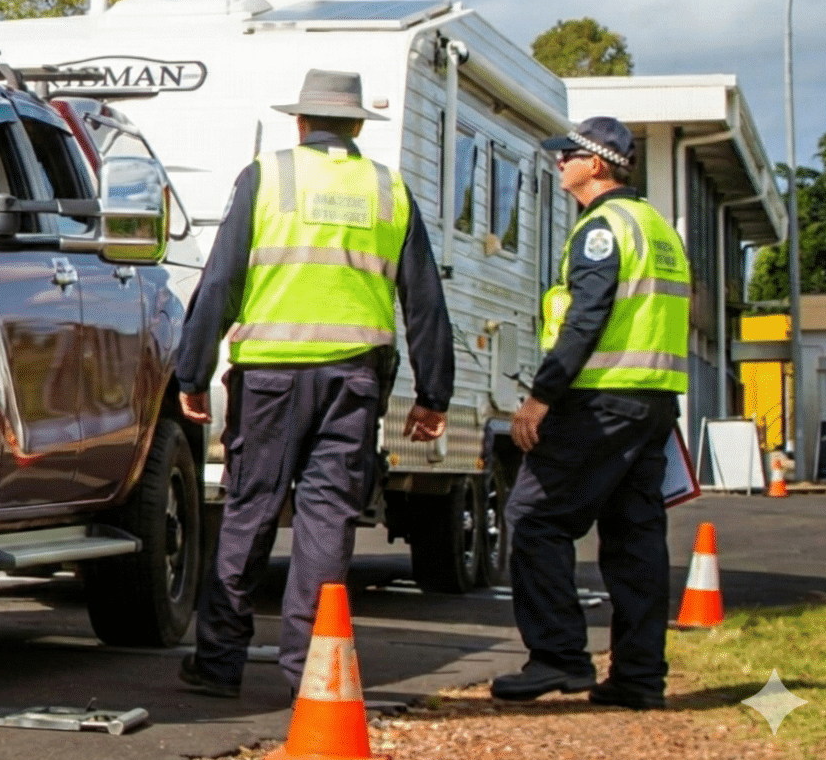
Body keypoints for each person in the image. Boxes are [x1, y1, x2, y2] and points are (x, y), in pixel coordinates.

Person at [175, 68, 455, 697]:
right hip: (353, 383)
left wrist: (192, 371)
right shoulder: (389, 188)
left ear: (300, 122)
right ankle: (312, 671)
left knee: (250, 512)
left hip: (270, 380)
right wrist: (434, 394)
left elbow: (221, 280)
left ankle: (219, 663)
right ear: (357, 125)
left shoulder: (267, 176)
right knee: (328, 520)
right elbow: (425, 300)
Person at [490, 116, 687, 710]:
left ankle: (558, 657)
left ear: (596, 165)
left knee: (534, 518)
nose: (559, 163)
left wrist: (541, 396)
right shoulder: (656, 227)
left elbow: (587, 317)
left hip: (600, 399)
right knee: (635, 538)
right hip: (653, 403)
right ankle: (639, 678)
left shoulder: (603, 228)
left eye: (568, 156)